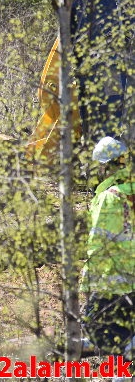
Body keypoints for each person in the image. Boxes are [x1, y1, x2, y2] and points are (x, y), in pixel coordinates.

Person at [80, 136, 134, 355]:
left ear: (105, 167)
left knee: (95, 326)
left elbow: (100, 242)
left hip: (114, 280)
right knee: (122, 331)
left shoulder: (110, 197)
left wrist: (88, 278)